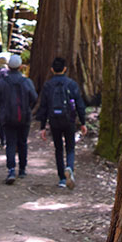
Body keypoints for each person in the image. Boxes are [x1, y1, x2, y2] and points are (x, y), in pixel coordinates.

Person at [36, 57, 87, 189]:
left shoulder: (48, 85)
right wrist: (83, 122)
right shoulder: (71, 84)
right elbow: (79, 104)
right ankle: (69, 167)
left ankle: (62, 179)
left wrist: (42, 127)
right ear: (65, 69)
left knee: (58, 149)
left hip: (54, 120)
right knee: (70, 147)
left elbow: (44, 106)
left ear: (52, 69)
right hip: (69, 120)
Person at [0, 53, 37, 184]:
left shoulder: (2, 82)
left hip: (7, 117)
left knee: (10, 143)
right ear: (20, 67)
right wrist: (27, 107)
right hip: (24, 117)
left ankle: (11, 169)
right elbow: (34, 98)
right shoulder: (27, 82)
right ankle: (22, 169)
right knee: (22, 142)